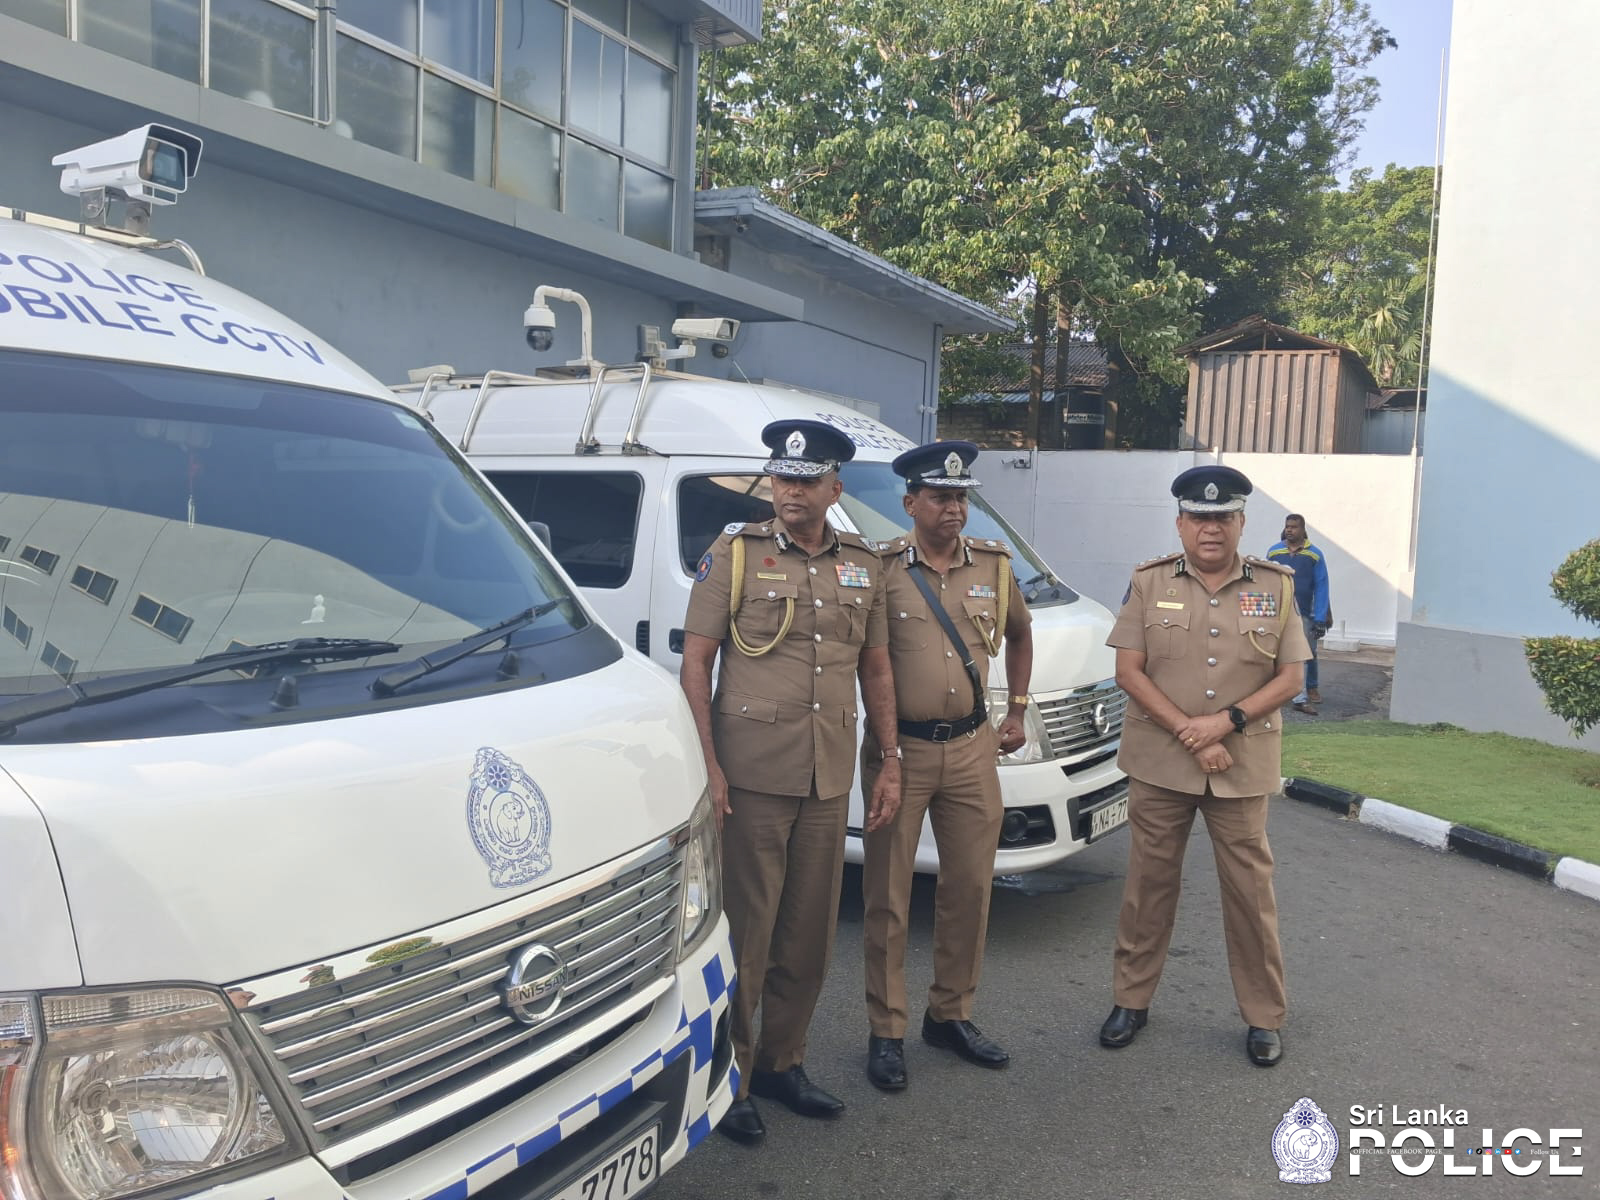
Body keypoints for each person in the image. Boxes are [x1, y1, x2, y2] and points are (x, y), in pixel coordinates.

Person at [680, 418, 901, 1146]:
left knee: (808, 935)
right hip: (752, 775)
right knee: (747, 934)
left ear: (835, 488)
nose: (792, 492)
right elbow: (696, 663)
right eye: (782, 479)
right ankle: (733, 1078)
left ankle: (782, 1062)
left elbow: (875, 667)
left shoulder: (862, 563)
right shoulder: (736, 553)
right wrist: (708, 766)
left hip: (826, 775)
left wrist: (891, 758)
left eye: (807, 482)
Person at [1098, 465, 1311, 1067]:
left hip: (1240, 764)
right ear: (1180, 523)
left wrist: (1225, 723)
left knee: (1250, 894)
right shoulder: (1148, 581)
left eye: (1222, 517)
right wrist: (1193, 733)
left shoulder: (1275, 585)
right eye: (1198, 517)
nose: (1210, 528)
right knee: (1147, 887)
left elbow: (1291, 678)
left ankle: (1264, 1016)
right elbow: (1129, 672)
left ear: (1241, 522)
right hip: (1161, 763)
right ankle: (1130, 1000)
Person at [859, 441, 1033, 1092]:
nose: (954, 508)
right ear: (910, 504)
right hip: (898, 751)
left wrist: (1017, 710)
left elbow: (1020, 634)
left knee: (969, 888)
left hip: (970, 749)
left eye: (961, 497)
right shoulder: (880, 568)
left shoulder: (994, 565)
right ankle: (886, 1029)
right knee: (888, 896)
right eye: (940, 497)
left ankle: (950, 1014)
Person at [1266, 514, 1332, 715]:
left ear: (1303, 530)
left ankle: (1311, 687)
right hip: (1279, 611)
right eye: (1287, 526)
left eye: (1294, 527)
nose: (1289, 530)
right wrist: (1265, 612)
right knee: (1280, 653)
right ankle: (1296, 697)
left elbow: (1322, 586)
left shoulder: (1315, 555)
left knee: (1309, 653)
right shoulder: (1274, 552)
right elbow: (1266, 581)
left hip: (1305, 613)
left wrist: (1320, 618)